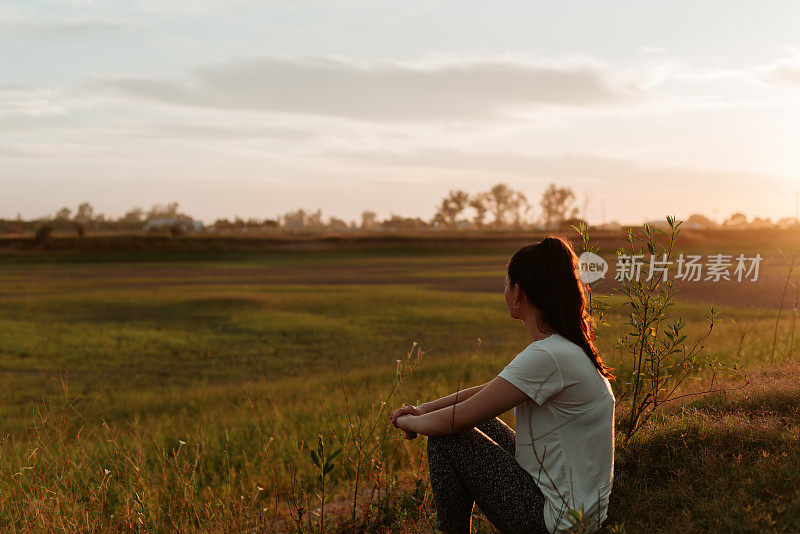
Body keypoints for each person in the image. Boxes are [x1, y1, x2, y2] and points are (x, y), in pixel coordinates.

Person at [390, 236, 616, 534]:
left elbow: (459, 419)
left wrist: (408, 422)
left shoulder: (549, 354)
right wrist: (421, 411)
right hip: (578, 512)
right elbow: (490, 391)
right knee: (482, 423)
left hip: (557, 522)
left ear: (518, 292)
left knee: (448, 438)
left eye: (506, 284)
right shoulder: (564, 348)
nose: (505, 291)